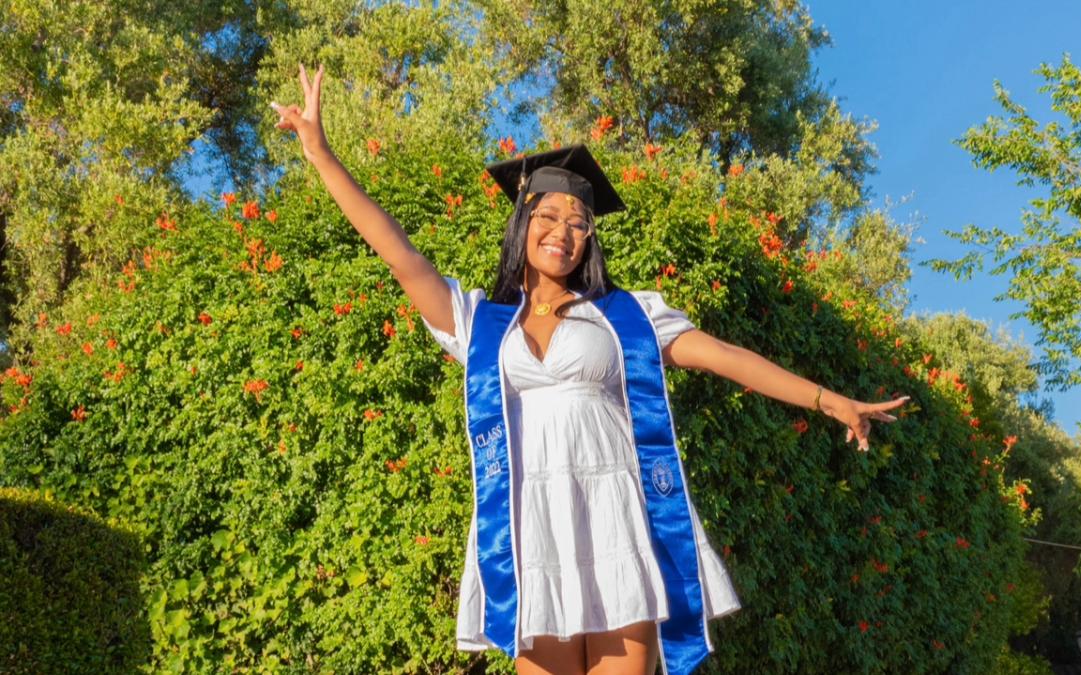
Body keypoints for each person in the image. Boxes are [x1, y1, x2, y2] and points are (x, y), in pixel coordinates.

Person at [273, 63, 909, 675]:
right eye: (548, 216)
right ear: (522, 221)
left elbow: (728, 359)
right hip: (531, 531)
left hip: (614, 520)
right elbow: (400, 254)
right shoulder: (481, 324)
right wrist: (322, 154)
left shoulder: (626, 318)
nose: (564, 231)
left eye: (578, 223)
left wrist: (830, 401)